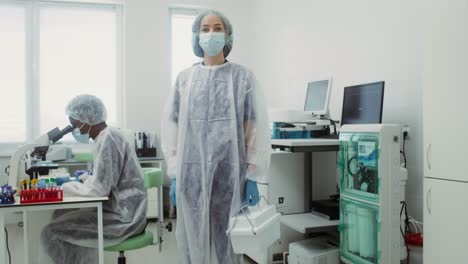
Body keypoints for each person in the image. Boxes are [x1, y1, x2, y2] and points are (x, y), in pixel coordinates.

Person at [161, 10, 271, 264]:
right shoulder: (184, 80)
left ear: (227, 34)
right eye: (205, 28)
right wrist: (176, 174)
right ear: (196, 37)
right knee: (193, 238)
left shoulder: (243, 78)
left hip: (229, 175)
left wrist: (252, 175)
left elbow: (253, 129)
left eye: (217, 27)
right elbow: (172, 130)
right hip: (191, 175)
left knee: (227, 240)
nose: (211, 34)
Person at [41, 94, 147, 264]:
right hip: (120, 210)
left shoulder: (109, 138)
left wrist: (65, 188)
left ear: (89, 118)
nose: (76, 130)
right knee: (60, 213)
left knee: (51, 233)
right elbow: (105, 178)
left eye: (75, 125)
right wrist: (83, 180)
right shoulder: (105, 137)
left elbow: (99, 189)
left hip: (125, 218)